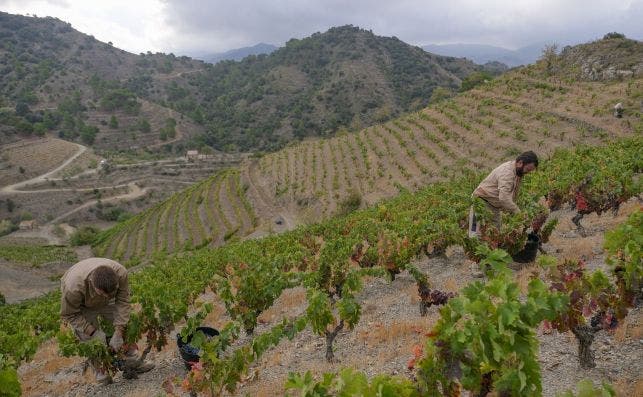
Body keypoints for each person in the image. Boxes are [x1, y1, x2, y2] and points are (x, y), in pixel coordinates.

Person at [60, 258, 154, 385]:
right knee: (88, 338)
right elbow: (70, 315)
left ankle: (133, 361)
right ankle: (101, 371)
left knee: (123, 321)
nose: (107, 297)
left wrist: (119, 332)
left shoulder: (121, 274)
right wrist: (93, 332)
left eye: (110, 294)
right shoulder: (73, 288)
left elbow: (123, 302)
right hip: (83, 305)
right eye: (102, 294)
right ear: (92, 283)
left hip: (106, 294)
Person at [468, 151, 539, 237]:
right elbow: (504, 198)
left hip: (494, 205)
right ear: (520, 163)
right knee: (475, 235)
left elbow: (511, 194)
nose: (527, 172)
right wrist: (518, 213)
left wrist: (510, 211)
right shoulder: (507, 173)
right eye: (527, 169)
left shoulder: (517, 171)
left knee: (495, 235)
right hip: (480, 202)